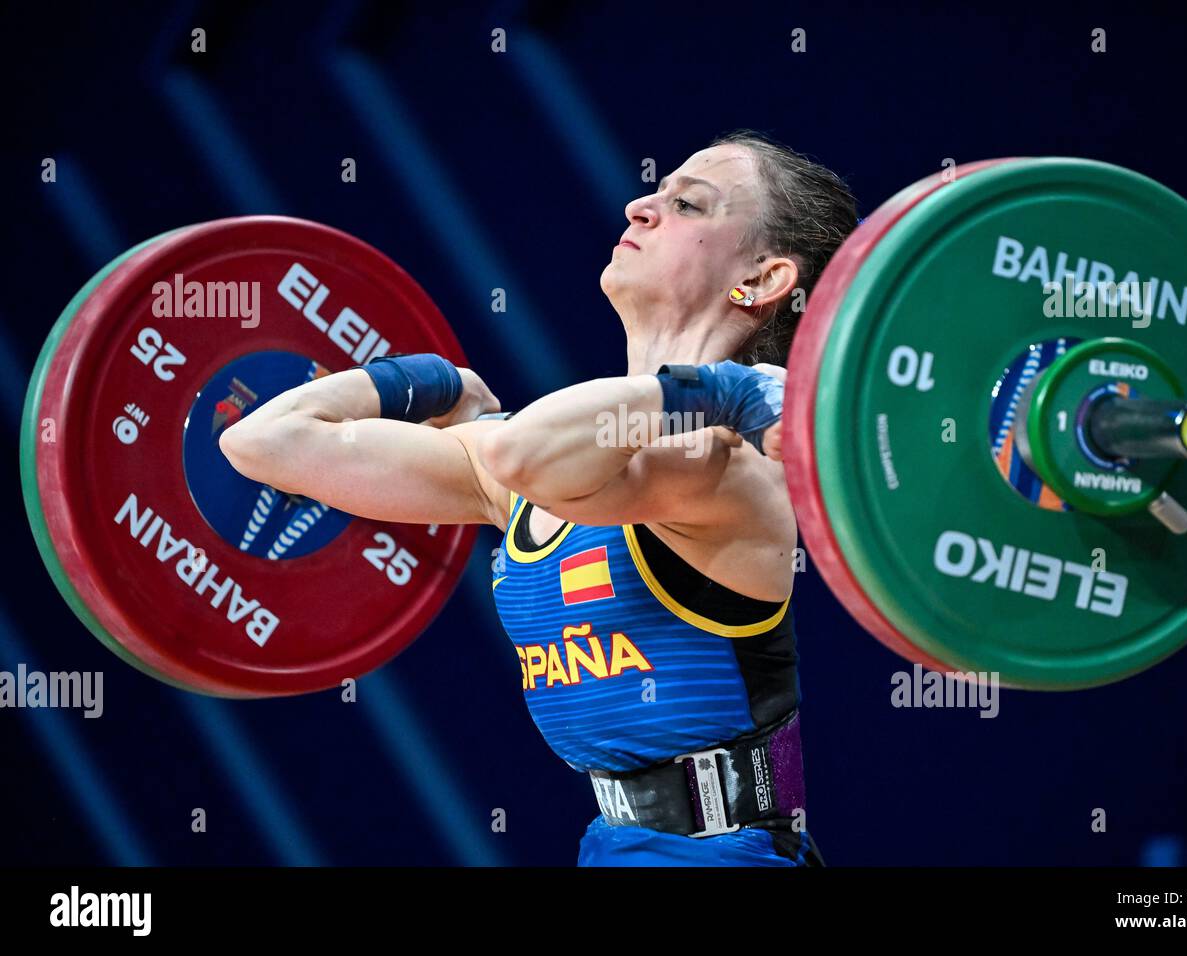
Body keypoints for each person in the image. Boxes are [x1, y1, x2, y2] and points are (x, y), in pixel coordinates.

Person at [220, 130, 858, 865]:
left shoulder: (724, 466)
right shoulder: (555, 458)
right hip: (615, 846)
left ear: (766, 276)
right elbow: (264, 443)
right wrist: (420, 379)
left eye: (687, 204)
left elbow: (522, 453)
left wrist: (730, 391)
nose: (640, 206)